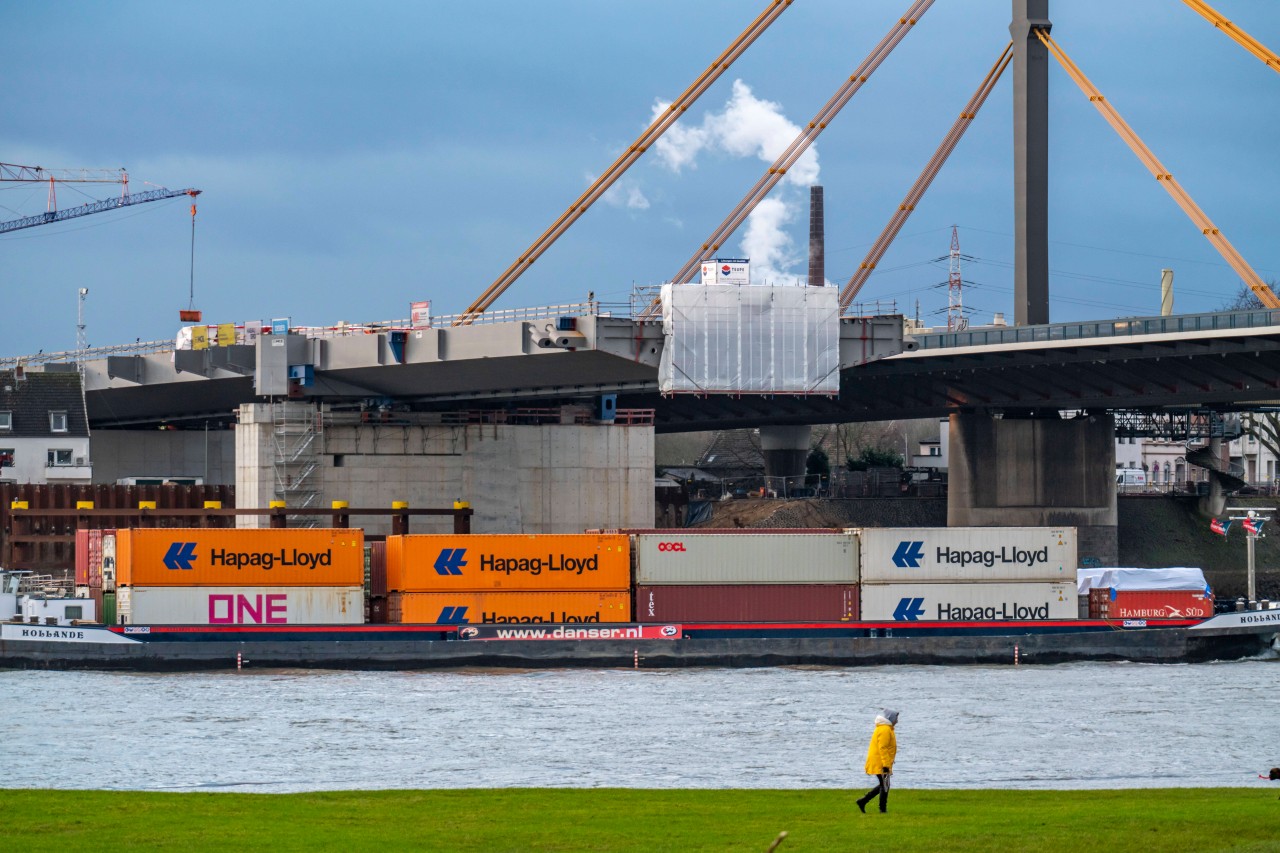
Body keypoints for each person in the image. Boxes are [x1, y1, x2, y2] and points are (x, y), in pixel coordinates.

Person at [856, 708, 899, 814]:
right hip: (880, 762)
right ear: (891, 718)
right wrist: (885, 765)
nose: (897, 720)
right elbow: (883, 748)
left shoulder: (887, 728)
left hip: (881, 762)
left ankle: (863, 801)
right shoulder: (885, 729)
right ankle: (882, 809)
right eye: (896, 717)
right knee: (885, 785)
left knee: (884, 785)